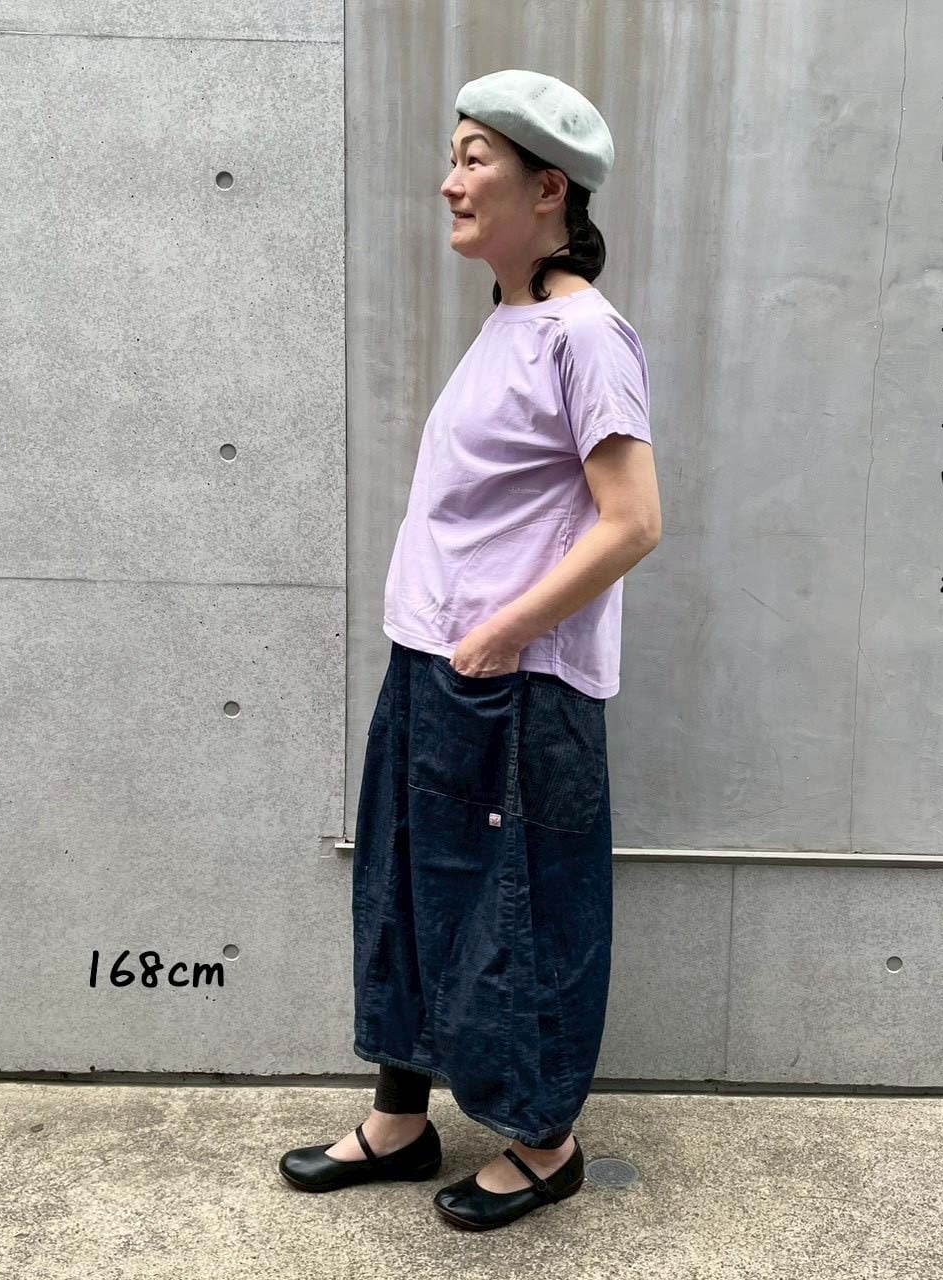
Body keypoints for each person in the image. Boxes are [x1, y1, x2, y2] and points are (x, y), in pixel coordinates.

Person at [279, 69, 662, 1231]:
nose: (449, 181)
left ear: (548, 189)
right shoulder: (508, 323)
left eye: (474, 159)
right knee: (407, 886)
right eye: (451, 156)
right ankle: (399, 1118)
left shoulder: (585, 335)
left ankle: (546, 1143)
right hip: (435, 663)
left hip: (513, 681)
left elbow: (633, 521)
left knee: (519, 909)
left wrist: (499, 631)